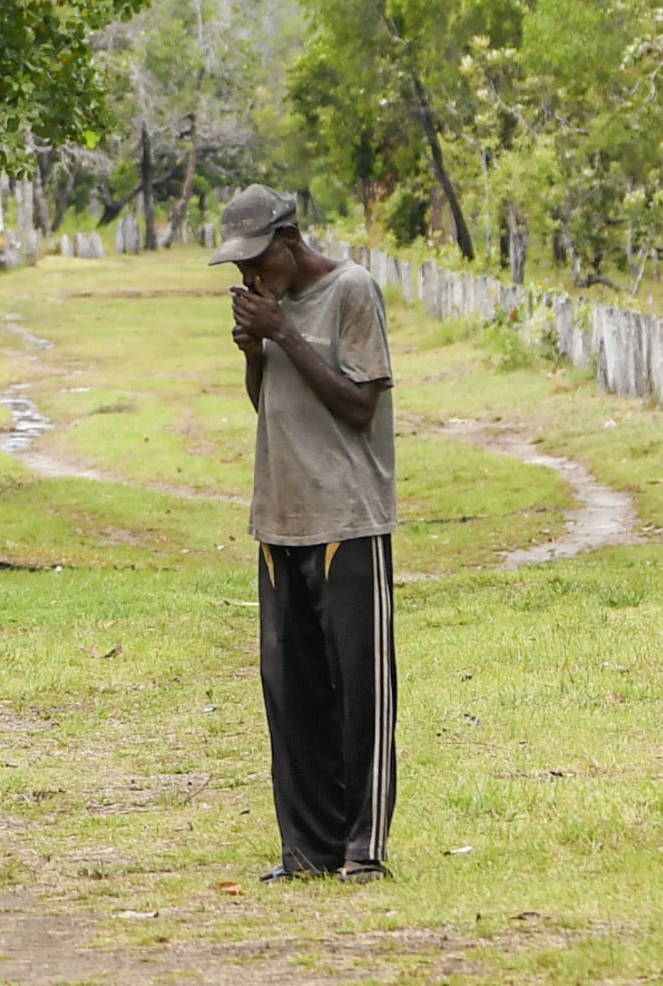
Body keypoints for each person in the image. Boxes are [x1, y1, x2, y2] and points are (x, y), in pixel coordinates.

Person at [213, 184, 396, 883]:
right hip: (279, 516)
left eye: (257, 261)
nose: (248, 278)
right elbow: (268, 402)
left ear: (289, 240)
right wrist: (256, 349)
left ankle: (362, 850)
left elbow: (357, 405)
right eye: (238, 269)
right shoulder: (273, 307)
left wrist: (284, 333)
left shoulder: (353, 290)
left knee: (359, 693)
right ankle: (307, 851)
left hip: (346, 518)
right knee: (293, 697)